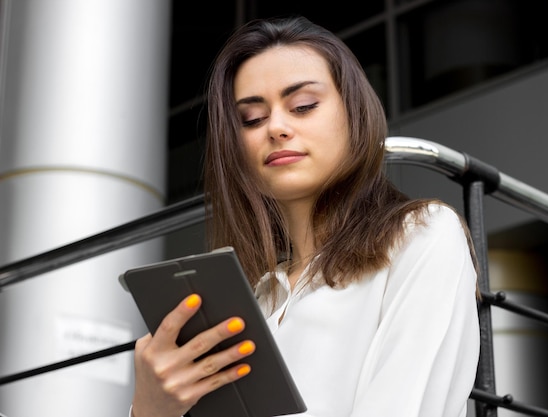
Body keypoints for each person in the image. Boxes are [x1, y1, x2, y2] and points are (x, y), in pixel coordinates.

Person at [130, 15, 480, 417]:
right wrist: (151, 410)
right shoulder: (258, 296)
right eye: (252, 119)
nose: (276, 127)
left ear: (354, 113)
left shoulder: (422, 234)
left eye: (303, 106)